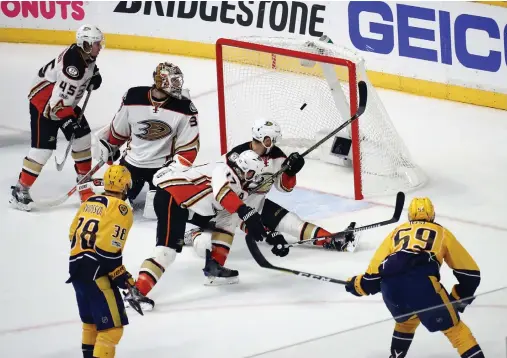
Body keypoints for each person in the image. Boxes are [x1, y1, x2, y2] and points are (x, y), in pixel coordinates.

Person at [131, 150, 288, 310]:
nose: (253, 179)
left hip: (189, 206)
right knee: (166, 252)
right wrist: (245, 212)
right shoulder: (223, 169)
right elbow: (223, 193)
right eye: (251, 174)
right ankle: (136, 291)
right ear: (243, 167)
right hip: (172, 197)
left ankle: (215, 267)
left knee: (229, 217)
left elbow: (239, 215)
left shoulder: (238, 186)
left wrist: (269, 235)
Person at [185, 118, 358, 257]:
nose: (273, 143)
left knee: (293, 222)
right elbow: (224, 193)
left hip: (258, 205)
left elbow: (285, 188)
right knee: (205, 246)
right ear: (260, 138)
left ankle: (334, 240)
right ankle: (193, 234)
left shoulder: (277, 157)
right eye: (269, 139)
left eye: (274, 139)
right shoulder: (237, 157)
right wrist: (267, 233)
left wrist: (291, 171)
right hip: (233, 208)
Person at [345, 197, 483, 358]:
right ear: (432, 215)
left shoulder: (396, 232)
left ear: (410, 215)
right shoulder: (442, 232)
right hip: (423, 285)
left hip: (392, 289)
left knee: (406, 322)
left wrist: (358, 285)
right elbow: (471, 274)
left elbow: (374, 276)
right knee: (456, 330)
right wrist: (458, 299)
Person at [10, 24, 104, 211]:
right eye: (96, 44)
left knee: (83, 139)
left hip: (64, 103)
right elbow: (56, 106)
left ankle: (84, 185)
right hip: (44, 104)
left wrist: (94, 75)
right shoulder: (73, 68)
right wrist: (69, 122)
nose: (100, 47)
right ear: (85, 44)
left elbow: (86, 72)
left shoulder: (84, 55)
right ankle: (20, 190)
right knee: (42, 150)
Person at [66, 164, 152, 358]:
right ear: (125, 185)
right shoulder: (121, 208)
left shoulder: (90, 201)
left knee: (91, 325)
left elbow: (72, 234)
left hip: (77, 269)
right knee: (111, 330)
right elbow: (108, 252)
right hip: (96, 272)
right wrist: (123, 279)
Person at [94, 62, 199, 216]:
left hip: (163, 168)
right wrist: (111, 145)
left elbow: (189, 148)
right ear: (163, 81)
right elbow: (119, 130)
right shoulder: (133, 97)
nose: (179, 85)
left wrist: (175, 171)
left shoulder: (185, 107)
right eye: (174, 81)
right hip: (132, 163)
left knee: (160, 211)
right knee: (113, 206)